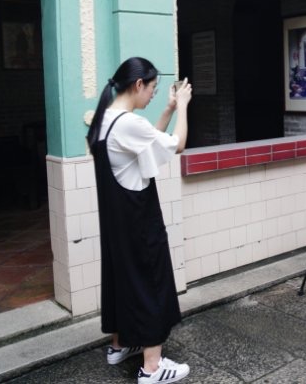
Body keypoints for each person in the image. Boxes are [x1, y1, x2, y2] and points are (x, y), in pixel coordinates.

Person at [86, 57, 192, 384]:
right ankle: (152, 367)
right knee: (151, 281)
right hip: (138, 219)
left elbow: (148, 144)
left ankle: (120, 345)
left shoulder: (105, 119)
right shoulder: (129, 123)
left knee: (122, 278)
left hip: (116, 222)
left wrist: (168, 109)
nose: (152, 95)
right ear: (138, 85)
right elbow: (177, 144)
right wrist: (183, 105)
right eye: (153, 89)